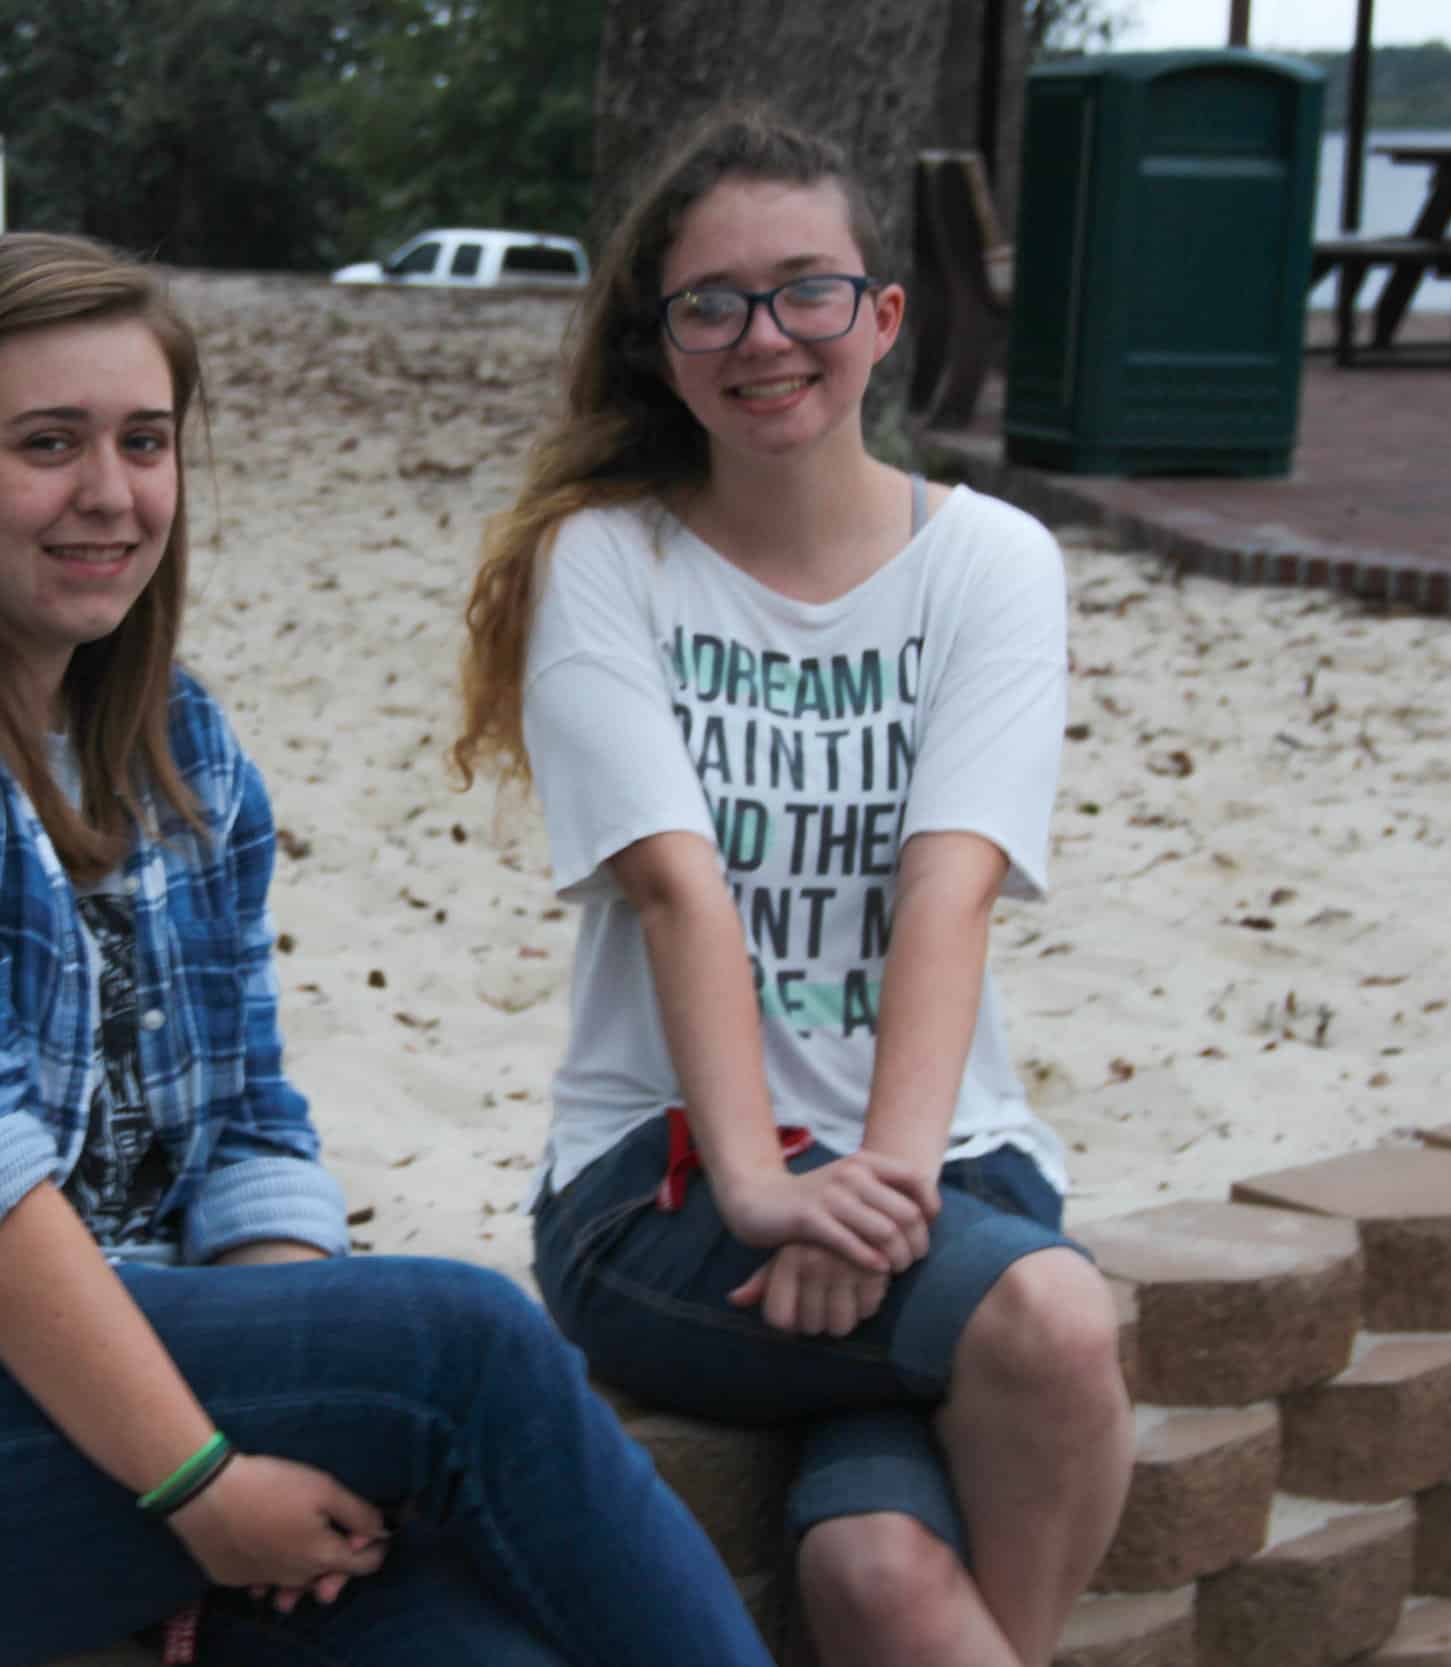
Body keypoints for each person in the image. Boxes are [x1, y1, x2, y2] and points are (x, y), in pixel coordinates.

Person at [0, 231, 789, 1667]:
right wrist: (197, 1480)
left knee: (475, 1651)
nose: (107, 493)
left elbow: (243, 1130)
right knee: (466, 1347)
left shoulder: (184, 748)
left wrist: (260, 1418)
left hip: (99, 1397)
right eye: (48, 443)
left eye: (143, 442)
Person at [453, 109, 1134, 1667]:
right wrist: (768, 1187)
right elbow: (682, 895)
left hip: (950, 1165)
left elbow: (946, 893)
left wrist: (882, 1199)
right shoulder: (605, 561)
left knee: (880, 1583)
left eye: (808, 289)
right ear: (666, 342)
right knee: (1052, 1323)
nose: (766, 335)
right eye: (714, 302)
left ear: (883, 318)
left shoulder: (993, 563)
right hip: (673, 1181)